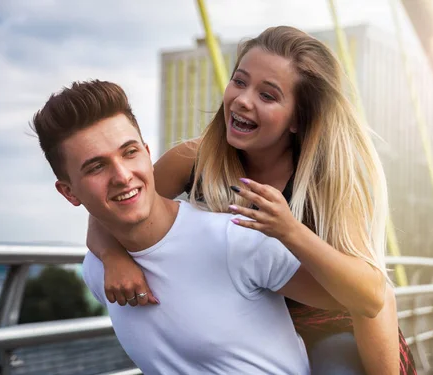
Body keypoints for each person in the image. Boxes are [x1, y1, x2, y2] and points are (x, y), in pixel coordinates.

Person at [87, 26, 417, 375]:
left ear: (298, 120)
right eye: (240, 82)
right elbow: (115, 206)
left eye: (268, 96)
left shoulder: (327, 181)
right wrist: (112, 257)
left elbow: (371, 296)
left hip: (333, 328)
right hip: (251, 330)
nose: (243, 100)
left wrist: (288, 230)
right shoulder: (194, 158)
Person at [32, 79, 363, 374]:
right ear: (69, 192)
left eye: (130, 152)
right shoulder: (98, 272)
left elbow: (360, 303)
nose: (122, 176)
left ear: (148, 154)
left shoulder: (236, 239)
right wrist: (109, 255)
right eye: (96, 167)